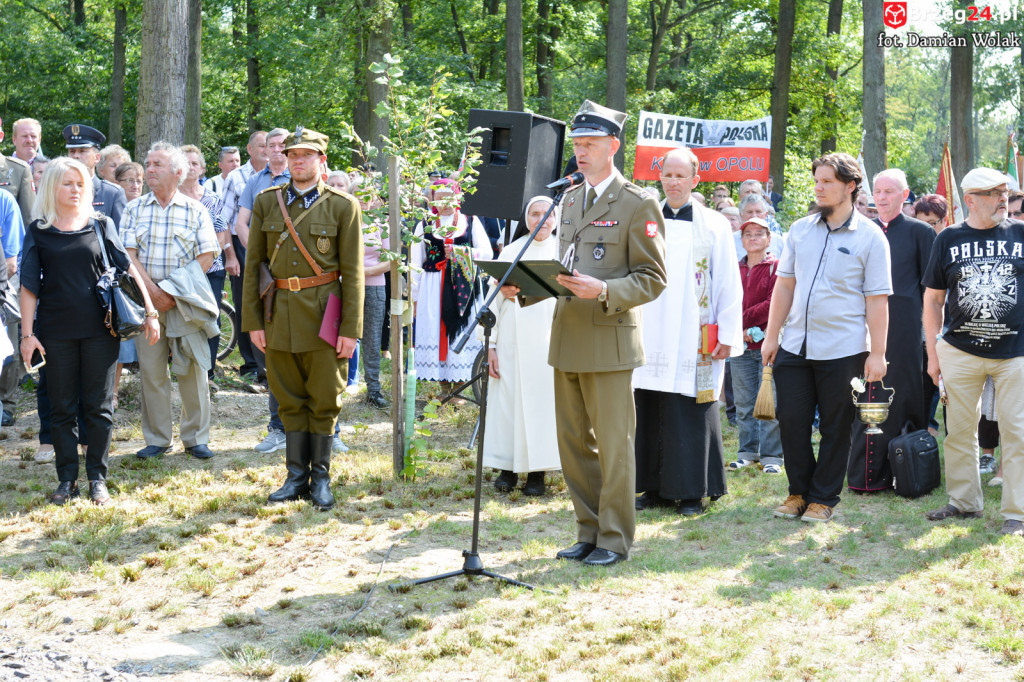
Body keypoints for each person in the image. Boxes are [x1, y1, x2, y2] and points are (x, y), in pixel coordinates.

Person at [542, 100, 666, 566]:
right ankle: (588, 530)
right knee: (574, 445)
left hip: (610, 341)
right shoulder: (569, 199)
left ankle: (613, 538)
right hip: (567, 338)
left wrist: (607, 289)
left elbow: (653, 278)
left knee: (614, 448)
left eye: (590, 144)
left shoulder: (638, 203)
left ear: (613, 146)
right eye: (577, 144)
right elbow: (564, 269)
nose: (581, 152)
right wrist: (525, 287)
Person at [19, 157, 160, 505]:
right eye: (67, 183)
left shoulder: (101, 224)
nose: (75, 189)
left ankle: (98, 478)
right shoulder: (38, 230)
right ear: (52, 187)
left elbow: (129, 269)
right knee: (61, 408)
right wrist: (27, 335)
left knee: (99, 407)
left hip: (101, 331)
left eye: (80, 184)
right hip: (54, 333)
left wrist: (151, 313)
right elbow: (28, 287)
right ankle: (67, 479)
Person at [762, 152, 892, 524]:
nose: (818, 188)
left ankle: (823, 498)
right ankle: (798, 492)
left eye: (827, 182)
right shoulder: (800, 230)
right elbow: (785, 286)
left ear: (850, 186)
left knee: (836, 426)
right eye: (816, 181)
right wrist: (772, 337)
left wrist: (877, 353)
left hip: (844, 350)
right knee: (791, 421)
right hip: (794, 346)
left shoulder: (871, 237)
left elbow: (877, 300)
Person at [241, 127, 364, 510]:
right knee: (288, 398)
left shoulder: (342, 206)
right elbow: (254, 266)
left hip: (325, 315)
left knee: (324, 398)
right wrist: (253, 322)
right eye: (293, 154)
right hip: (278, 314)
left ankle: (321, 479)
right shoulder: (267, 201)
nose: (298, 161)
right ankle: (295, 477)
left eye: (306, 155)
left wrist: (350, 329)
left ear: (321, 160)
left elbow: (353, 274)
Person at [633, 147, 741, 516]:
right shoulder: (646, 218)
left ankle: (693, 491)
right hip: (651, 327)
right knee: (649, 406)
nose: (673, 182)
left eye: (681, 176)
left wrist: (727, 334)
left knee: (691, 407)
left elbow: (727, 280)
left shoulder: (714, 224)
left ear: (696, 180)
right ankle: (653, 487)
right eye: (667, 174)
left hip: (695, 332)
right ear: (659, 177)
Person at [922, 167, 1024, 536]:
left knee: (1017, 431)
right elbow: (933, 300)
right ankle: (964, 502)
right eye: (993, 193)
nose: (1003, 199)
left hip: (1015, 352)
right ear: (970, 200)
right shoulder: (948, 238)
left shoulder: (1021, 234)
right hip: (959, 350)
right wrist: (934, 353)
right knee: (959, 431)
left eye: (1005, 192)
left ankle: (1017, 512)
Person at [121, 142, 220, 460]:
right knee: (152, 372)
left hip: (184, 303)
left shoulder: (195, 210)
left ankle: (196, 438)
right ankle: (158, 439)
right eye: (148, 164)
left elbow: (208, 255)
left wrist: (173, 292)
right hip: (146, 304)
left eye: (157, 164)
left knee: (193, 370)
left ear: (178, 172)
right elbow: (127, 256)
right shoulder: (134, 209)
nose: (149, 169)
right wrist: (152, 293)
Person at [847, 169, 935, 493]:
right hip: (863, 326)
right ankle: (864, 474)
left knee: (901, 397)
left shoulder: (921, 232)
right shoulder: (863, 231)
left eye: (889, 191)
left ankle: (906, 469)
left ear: (905, 195)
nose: (882, 198)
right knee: (861, 397)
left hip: (904, 330)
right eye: (878, 192)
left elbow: (931, 290)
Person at [482, 196, 561, 497]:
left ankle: (537, 473)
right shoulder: (512, 252)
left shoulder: (564, 251)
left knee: (543, 405)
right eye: (535, 214)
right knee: (508, 404)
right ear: (526, 219)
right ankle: (508, 468)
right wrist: (490, 346)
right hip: (511, 341)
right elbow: (493, 303)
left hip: (549, 340)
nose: (541, 219)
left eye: (547, 214)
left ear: (556, 218)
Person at [410, 179, 493, 390]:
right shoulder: (424, 224)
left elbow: (487, 253)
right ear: (432, 200)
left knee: (461, 329)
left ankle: (461, 385)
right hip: (433, 287)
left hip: (463, 284)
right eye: (440, 198)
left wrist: (461, 253)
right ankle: (444, 386)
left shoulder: (470, 221)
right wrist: (415, 297)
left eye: (450, 198)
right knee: (436, 330)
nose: (445, 203)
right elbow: (415, 262)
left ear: (458, 199)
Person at [728, 217, 783, 474]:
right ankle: (747, 452)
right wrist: (738, 330)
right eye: (748, 234)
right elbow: (726, 301)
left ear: (769, 239)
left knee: (769, 403)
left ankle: (772, 457)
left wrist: (742, 322)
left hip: (767, 345)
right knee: (743, 404)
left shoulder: (776, 267)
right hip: (740, 346)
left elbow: (773, 304)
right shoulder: (733, 268)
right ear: (742, 240)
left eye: (759, 233)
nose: (753, 238)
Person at [179, 144, 238, 380]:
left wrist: (204, 261)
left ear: (202, 169)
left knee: (210, 319)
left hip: (210, 270)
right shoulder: (169, 197)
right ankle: (182, 370)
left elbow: (221, 234)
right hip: (176, 271)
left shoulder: (212, 199)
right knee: (180, 319)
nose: (190, 167)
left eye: (194, 163)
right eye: (185, 163)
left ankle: (207, 373)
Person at [221, 130, 267, 385]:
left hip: (273, 246)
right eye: (261, 146)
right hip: (241, 245)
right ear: (250, 149)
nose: (267, 150)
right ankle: (250, 364)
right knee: (245, 302)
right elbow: (225, 221)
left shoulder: (282, 174)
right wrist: (231, 255)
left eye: (270, 145)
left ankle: (270, 362)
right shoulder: (236, 177)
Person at [62, 124, 126, 229]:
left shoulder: (112, 194)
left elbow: (119, 234)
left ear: (97, 157)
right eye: (72, 151)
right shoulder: (59, 190)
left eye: (82, 151)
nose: (76, 156)